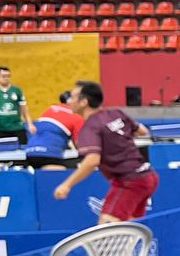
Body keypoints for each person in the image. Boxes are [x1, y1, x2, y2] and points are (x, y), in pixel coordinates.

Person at [53, 81, 157, 222]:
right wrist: (118, 137)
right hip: (148, 176)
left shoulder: (90, 127)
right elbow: (142, 131)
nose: (69, 101)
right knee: (129, 227)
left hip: (129, 181)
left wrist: (66, 184)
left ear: (84, 102)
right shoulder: (116, 113)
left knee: (107, 226)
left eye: (72, 97)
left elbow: (92, 160)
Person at [22, 94, 85, 169]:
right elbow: (80, 146)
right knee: (65, 177)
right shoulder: (77, 117)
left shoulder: (50, 108)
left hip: (30, 152)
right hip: (49, 155)